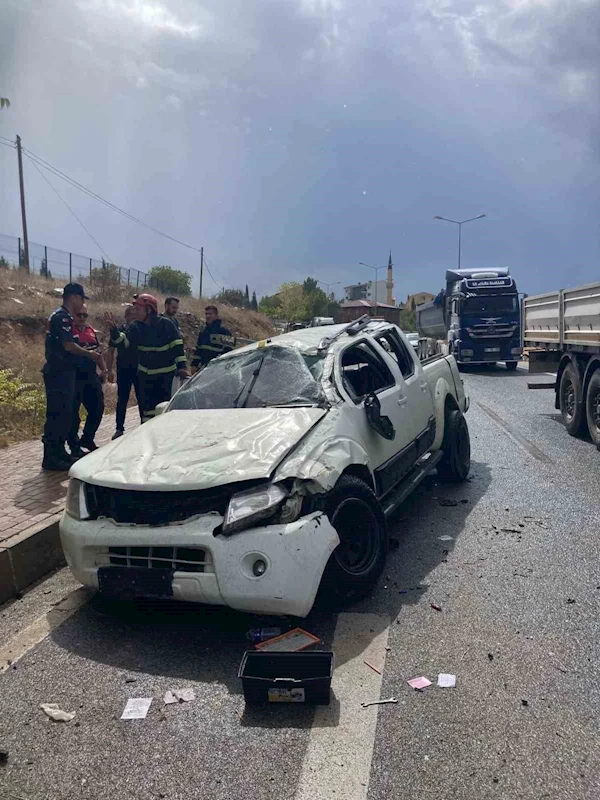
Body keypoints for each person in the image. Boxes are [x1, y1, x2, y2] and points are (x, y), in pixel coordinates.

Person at [42, 283, 104, 471]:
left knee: (64, 415)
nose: (82, 304)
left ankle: (60, 453)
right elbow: (68, 346)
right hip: (58, 373)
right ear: (74, 297)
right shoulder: (62, 317)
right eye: (82, 299)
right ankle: (51, 457)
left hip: (64, 372)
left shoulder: (63, 317)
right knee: (57, 415)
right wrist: (89, 354)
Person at [105, 293, 188, 424]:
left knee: (164, 411)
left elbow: (177, 347)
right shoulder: (135, 327)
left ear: (149, 310)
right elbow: (123, 342)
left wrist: (182, 367)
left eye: (138, 309)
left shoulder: (166, 325)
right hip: (145, 379)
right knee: (147, 414)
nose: (135, 312)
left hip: (165, 378)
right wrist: (114, 331)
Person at [68, 304, 107, 455]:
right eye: (79, 315)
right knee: (73, 414)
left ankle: (87, 438)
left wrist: (104, 370)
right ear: (73, 315)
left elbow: (97, 353)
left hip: (91, 376)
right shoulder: (68, 331)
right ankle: (74, 446)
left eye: (85, 315)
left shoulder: (90, 331)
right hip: (74, 377)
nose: (82, 318)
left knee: (98, 408)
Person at [106, 304, 141, 439]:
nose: (134, 319)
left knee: (141, 397)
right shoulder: (119, 331)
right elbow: (111, 350)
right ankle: (119, 428)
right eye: (132, 316)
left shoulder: (140, 329)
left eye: (136, 316)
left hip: (139, 368)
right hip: (124, 368)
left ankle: (144, 424)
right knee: (122, 399)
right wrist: (109, 370)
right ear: (126, 317)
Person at [191, 305, 234, 374]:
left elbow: (229, 352)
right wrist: (194, 365)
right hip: (203, 369)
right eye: (206, 314)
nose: (207, 316)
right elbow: (198, 350)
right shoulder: (203, 332)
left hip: (218, 370)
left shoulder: (224, 332)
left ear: (216, 316)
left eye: (210, 314)